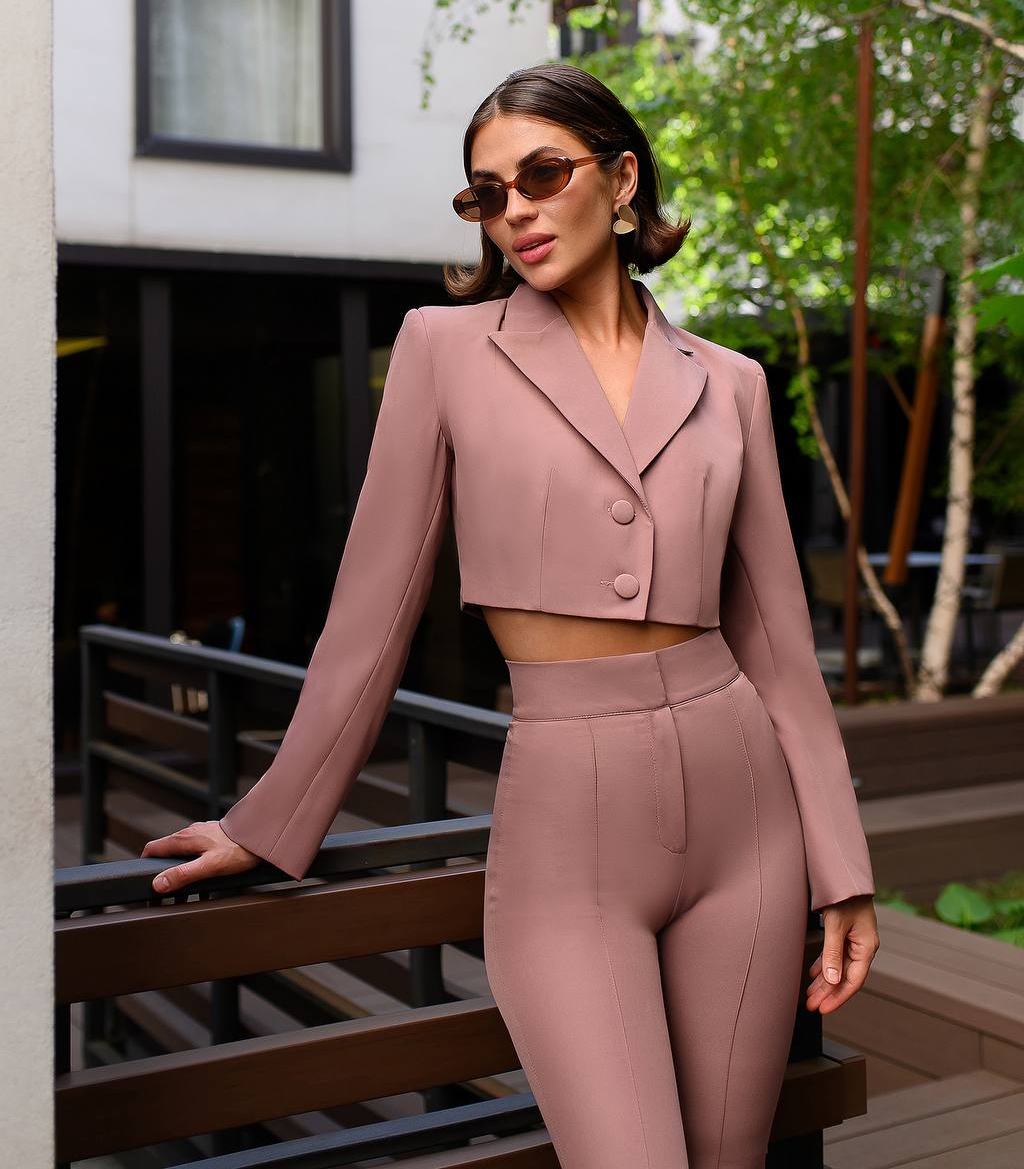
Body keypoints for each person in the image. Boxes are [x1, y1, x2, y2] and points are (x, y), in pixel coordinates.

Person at [142, 62, 879, 1168]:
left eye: (542, 174)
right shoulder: (444, 353)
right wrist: (265, 821)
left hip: (748, 813)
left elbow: (776, 639)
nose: (516, 210)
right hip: (567, 819)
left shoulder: (728, 381)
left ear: (622, 179)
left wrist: (843, 863)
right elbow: (372, 610)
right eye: (489, 193)